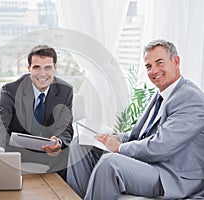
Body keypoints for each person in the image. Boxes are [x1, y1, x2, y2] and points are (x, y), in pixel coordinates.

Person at [67, 39, 204, 199]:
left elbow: (161, 146)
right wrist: (117, 138)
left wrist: (119, 148)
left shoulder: (189, 97)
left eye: (159, 63)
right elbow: (140, 134)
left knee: (110, 163)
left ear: (176, 61)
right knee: (80, 144)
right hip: (151, 164)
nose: (154, 71)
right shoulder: (160, 94)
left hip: (171, 175)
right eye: (149, 66)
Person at [0, 45, 73, 179]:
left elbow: (65, 127)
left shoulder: (65, 91)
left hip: (46, 150)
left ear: (55, 68)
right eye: (37, 67)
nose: (42, 73)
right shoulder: (11, 90)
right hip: (14, 149)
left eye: (48, 67)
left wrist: (58, 142)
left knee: (71, 156)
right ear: (29, 69)